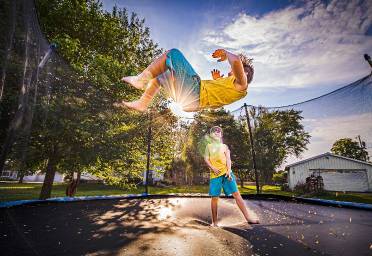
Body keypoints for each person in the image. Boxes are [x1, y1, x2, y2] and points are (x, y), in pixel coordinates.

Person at [114, 48, 254, 112]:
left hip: (194, 92)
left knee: (174, 54)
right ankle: (142, 103)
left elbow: (235, 61)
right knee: (162, 76)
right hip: (190, 104)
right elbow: (218, 94)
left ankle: (141, 79)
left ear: (244, 75)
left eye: (236, 72)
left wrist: (225, 53)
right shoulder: (231, 86)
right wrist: (216, 80)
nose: (231, 71)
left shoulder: (242, 85)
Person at [204, 126, 260, 227]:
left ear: (221, 135)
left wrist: (229, 171)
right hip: (215, 175)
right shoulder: (208, 146)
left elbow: (228, 159)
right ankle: (214, 222)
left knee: (237, 195)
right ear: (211, 135)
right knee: (214, 198)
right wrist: (213, 168)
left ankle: (248, 218)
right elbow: (206, 159)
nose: (217, 133)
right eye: (214, 132)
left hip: (227, 174)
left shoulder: (224, 146)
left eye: (219, 132)